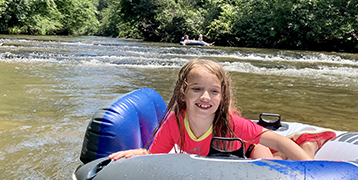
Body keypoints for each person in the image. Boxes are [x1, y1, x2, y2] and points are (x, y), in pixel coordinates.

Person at [109, 59, 321, 161]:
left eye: (213, 91)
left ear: (222, 97)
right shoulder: (175, 124)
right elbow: (153, 156)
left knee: (272, 163)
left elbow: (275, 139)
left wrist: (310, 169)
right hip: (216, 160)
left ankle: (308, 143)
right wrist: (139, 155)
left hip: (247, 149)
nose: (205, 97)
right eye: (197, 89)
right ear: (183, 93)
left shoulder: (229, 122)